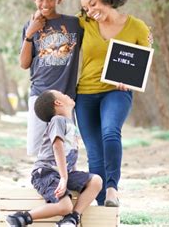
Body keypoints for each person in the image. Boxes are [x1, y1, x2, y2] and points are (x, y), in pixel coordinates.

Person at [76, 0, 152, 207]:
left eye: (93, 4)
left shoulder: (137, 27)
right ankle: (102, 208)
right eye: (86, 7)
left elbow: (144, 61)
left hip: (117, 92)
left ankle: (111, 189)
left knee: (110, 132)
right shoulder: (83, 23)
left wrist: (129, 78)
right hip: (85, 94)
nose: (90, 11)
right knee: (94, 153)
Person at [6, 90, 102, 227]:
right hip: (46, 173)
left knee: (96, 181)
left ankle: (72, 218)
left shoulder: (70, 124)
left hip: (64, 173)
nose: (67, 94)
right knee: (65, 206)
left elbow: (70, 155)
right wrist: (64, 178)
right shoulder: (58, 120)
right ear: (58, 102)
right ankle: (22, 218)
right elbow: (58, 147)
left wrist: (70, 176)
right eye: (63, 94)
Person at [20, 0, 83, 156]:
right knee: (36, 149)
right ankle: (44, 180)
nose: (45, 3)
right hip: (39, 94)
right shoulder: (29, 26)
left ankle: (65, 180)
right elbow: (24, 64)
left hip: (65, 97)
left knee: (69, 148)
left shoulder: (74, 24)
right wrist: (30, 33)